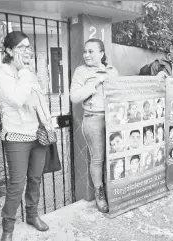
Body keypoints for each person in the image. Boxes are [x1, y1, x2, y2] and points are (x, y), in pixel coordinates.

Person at [0, 31, 54, 239]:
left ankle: (32, 215)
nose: (27, 50)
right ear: (9, 51)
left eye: (28, 47)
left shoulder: (29, 72)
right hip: (17, 137)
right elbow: (17, 100)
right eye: (21, 47)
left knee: (35, 179)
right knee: (17, 185)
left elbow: (39, 100)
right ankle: (7, 229)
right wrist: (26, 73)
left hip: (38, 135)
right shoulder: (1, 74)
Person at [70, 38, 118, 213]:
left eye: (91, 51)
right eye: (85, 51)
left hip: (113, 120)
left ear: (101, 54)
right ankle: (100, 194)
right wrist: (95, 82)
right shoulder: (80, 72)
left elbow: (119, 94)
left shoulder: (111, 71)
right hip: (93, 119)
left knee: (114, 157)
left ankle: (114, 191)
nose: (86, 55)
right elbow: (74, 97)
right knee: (97, 159)